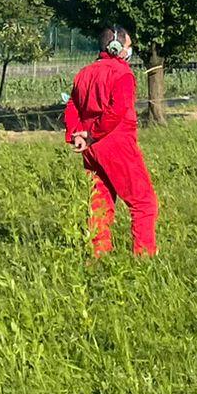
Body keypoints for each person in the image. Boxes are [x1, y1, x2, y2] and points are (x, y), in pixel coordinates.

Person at [63, 26, 158, 256]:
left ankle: (99, 255)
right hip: (115, 143)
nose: (130, 50)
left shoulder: (84, 73)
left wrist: (77, 134)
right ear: (116, 48)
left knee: (100, 202)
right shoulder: (122, 74)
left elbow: (72, 105)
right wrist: (93, 133)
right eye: (128, 46)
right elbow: (117, 111)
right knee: (143, 202)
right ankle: (144, 257)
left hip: (91, 148)